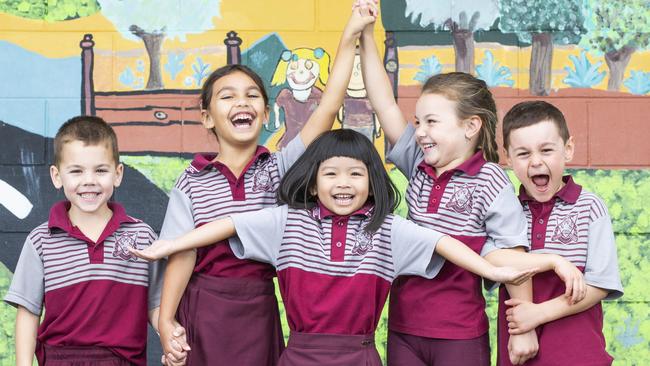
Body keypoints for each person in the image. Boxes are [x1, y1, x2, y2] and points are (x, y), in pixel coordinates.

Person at [130, 128, 537, 366]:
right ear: (312, 182)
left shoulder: (387, 230)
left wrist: (494, 271)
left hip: (359, 355)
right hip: (299, 354)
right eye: (332, 174)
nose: (343, 184)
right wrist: (171, 245)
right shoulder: (286, 222)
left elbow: (444, 243)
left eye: (355, 174)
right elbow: (226, 225)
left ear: (372, 181)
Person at [156, 3, 380, 365]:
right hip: (204, 306)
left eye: (251, 95)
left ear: (265, 112)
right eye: (227, 96)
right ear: (207, 118)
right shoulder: (192, 179)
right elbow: (182, 252)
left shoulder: (280, 167)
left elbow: (326, 110)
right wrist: (167, 320)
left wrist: (349, 35)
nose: (240, 102)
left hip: (259, 304)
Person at [357, 11, 585, 365]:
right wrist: (367, 35)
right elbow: (383, 102)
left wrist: (523, 329)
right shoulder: (415, 161)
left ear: (470, 126)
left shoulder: (490, 178)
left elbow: (514, 253)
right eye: (418, 121)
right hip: (404, 329)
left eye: (432, 121)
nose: (420, 131)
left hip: (460, 332)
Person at [5, 116, 162, 366]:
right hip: (61, 359)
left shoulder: (141, 236)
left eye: (100, 170)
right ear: (57, 176)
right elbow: (28, 312)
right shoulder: (41, 241)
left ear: (118, 174)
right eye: (76, 171)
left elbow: (157, 305)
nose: (89, 180)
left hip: (123, 360)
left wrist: (170, 333)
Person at [495, 101, 624, 365]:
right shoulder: (504, 210)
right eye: (523, 153)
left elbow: (601, 284)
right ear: (507, 157)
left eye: (546, 150)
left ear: (567, 149)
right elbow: (492, 260)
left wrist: (537, 314)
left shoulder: (590, 207)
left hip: (579, 356)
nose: (536, 161)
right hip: (519, 355)